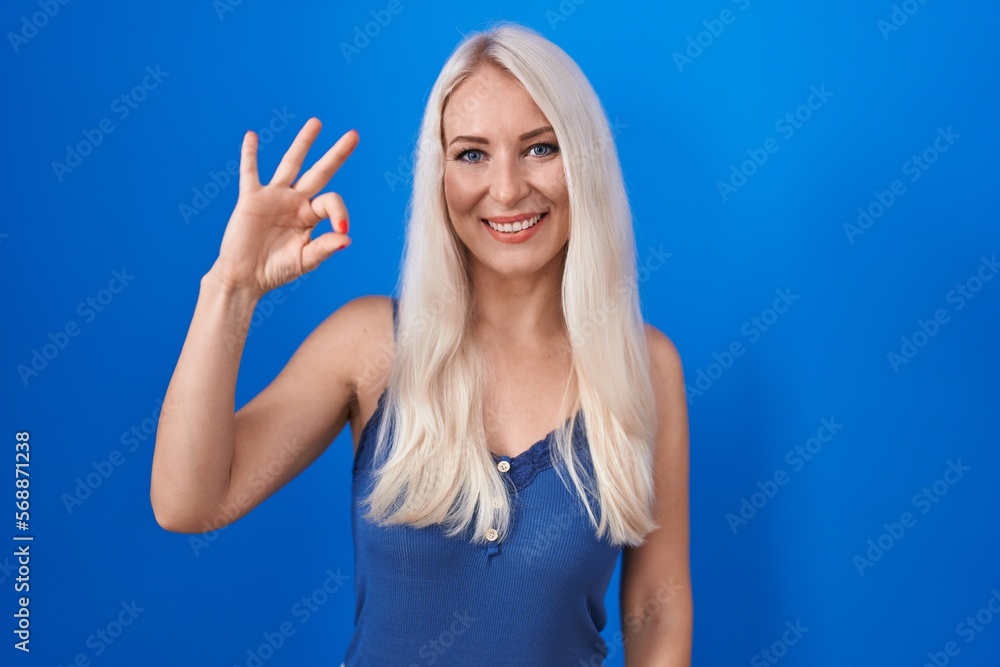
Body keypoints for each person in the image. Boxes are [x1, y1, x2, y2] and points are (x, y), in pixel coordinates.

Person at [150, 21, 692, 666]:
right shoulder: (369, 344)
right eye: (471, 155)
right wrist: (231, 288)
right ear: (438, 175)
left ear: (585, 161)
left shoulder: (645, 364)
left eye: (540, 148)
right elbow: (188, 503)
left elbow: (656, 605)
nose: (507, 189)